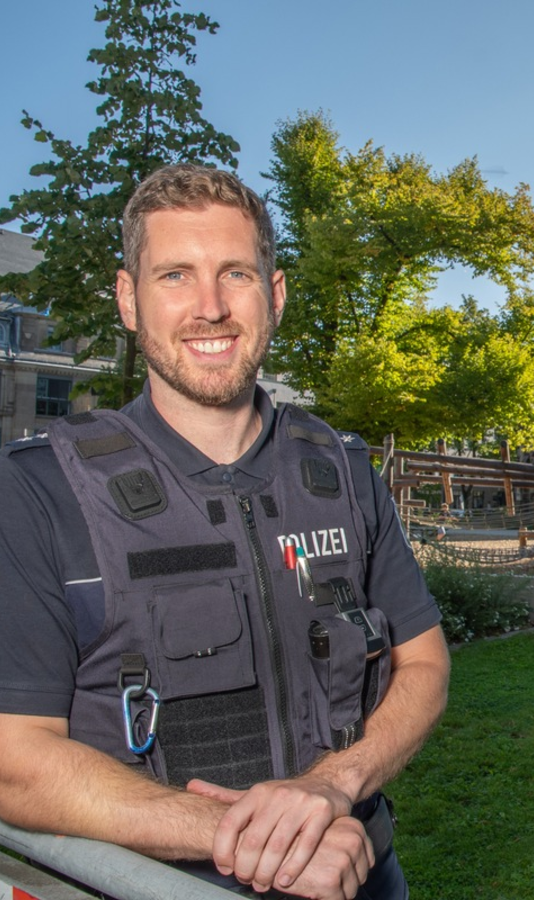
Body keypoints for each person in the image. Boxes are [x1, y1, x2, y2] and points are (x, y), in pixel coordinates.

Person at [0, 165, 450, 899]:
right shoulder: (40, 491)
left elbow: (424, 664)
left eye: (235, 273)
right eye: (175, 275)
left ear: (274, 295)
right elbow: (14, 761)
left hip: (364, 877)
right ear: (129, 299)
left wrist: (335, 784)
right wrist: (256, 833)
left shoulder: (343, 472)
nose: (210, 308)